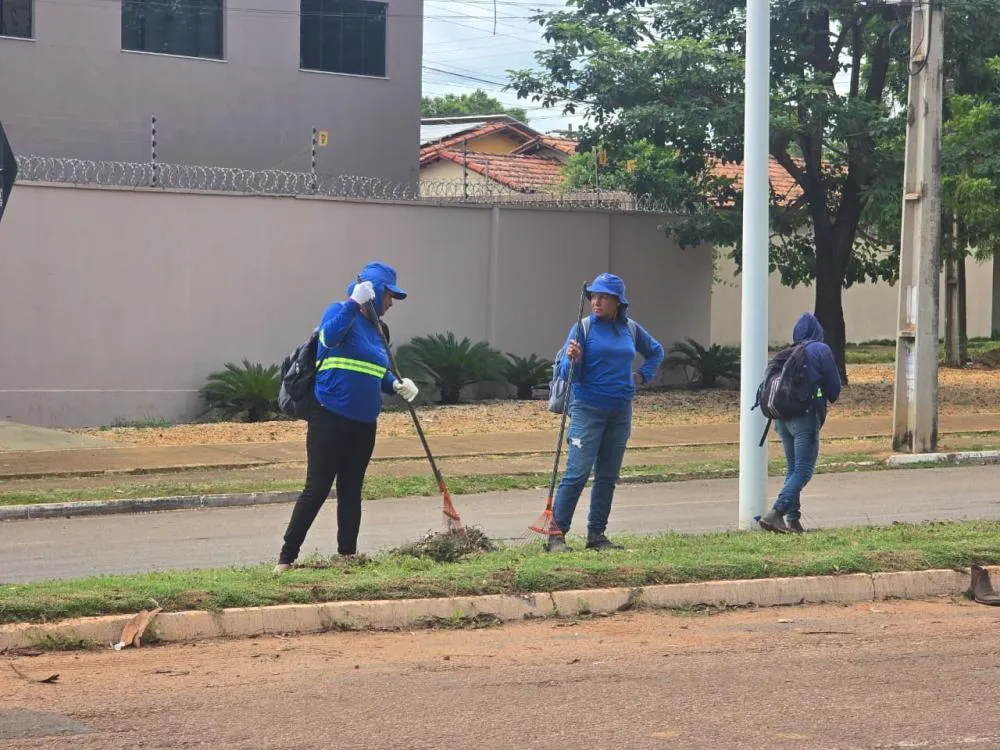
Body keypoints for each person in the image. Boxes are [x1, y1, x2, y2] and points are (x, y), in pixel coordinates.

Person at [274, 262, 419, 574]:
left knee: (352, 489)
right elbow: (328, 338)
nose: (391, 303)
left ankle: (347, 556)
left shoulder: (381, 332)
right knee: (318, 487)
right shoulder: (340, 312)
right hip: (329, 415)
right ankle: (286, 558)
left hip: (364, 422)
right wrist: (353, 303)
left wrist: (394, 384)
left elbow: (375, 371)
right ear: (375, 290)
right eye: (389, 295)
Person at [547, 273, 664, 552]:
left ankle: (596, 535)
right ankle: (556, 535)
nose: (596, 302)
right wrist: (572, 359)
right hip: (588, 409)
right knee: (576, 473)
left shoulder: (630, 329)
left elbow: (656, 351)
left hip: (620, 411)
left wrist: (641, 376)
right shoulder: (582, 329)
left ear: (617, 302)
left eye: (603, 297)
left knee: (608, 476)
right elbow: (567, 375)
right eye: (593, 297)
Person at [758, 312, 842, 534]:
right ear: (818, 332)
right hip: (804, 418)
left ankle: (793, 520)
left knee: (793, 468)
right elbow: (834, 390)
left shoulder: (786, 353)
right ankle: (776, 513)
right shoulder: (820, 350)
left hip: (781, 419)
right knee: (804, 469)